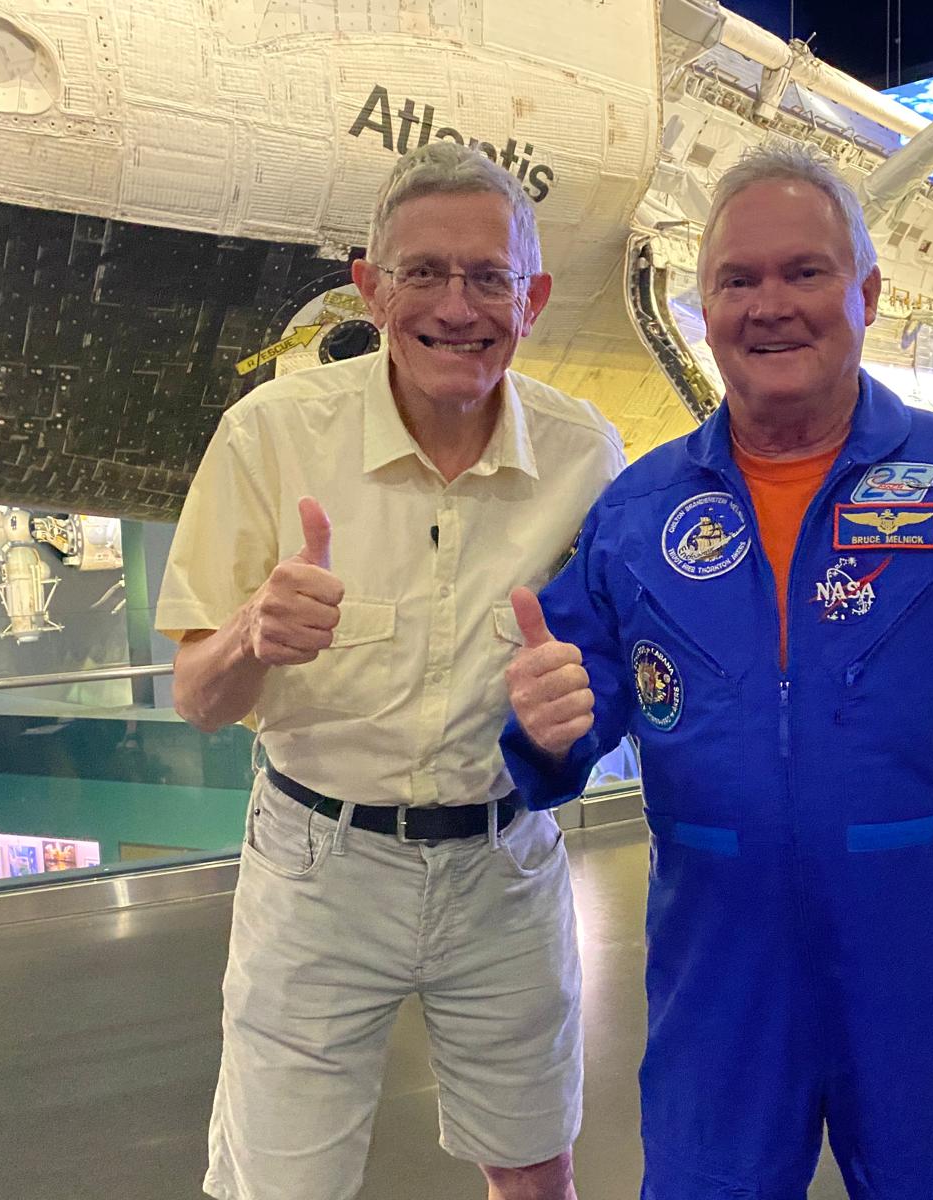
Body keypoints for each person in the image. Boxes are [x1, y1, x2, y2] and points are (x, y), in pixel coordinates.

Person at [500, 145, 933, 1198]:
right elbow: (564, 718)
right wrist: (544, 732)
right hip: (716, 985)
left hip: (921, 979)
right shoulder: (636, 517)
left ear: (865, 292)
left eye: (804, 272)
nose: (771, 305)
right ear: (704, 310)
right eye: (738, 279)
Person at [155, 142, 626, 1200]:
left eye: (487, 276)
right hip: (317, 869)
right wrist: (248, 637)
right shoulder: (270, 438)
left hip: (505, 868)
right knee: (279, 1184)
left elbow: (615, 691)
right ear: (369, 286)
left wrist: (579, 722)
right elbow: (196, 698)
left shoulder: (588, 457)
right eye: (421, 272)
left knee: (535, 1169)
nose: (455, 306)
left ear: (532, 298)